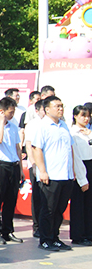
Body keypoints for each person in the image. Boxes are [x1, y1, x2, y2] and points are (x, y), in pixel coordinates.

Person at [30, 95, 85, 250]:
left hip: (65, 175)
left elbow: (70, 149)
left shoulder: (64, 125)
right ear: (47, 109)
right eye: (57, 106)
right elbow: (37, 149)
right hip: (51, 175)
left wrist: (72, 170)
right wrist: (42, 171)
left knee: (59, 210)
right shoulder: (42, 126)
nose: (60, 109)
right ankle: (45, 239)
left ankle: (55, 237)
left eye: (61, 106)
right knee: (48, 209)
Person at [0, 97, 23, 243]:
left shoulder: (14, 127)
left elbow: (17, 148)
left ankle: (7, 230)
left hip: (13, 165)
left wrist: (20, 168)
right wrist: (1, 122)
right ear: (2, 111)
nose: (12, 115)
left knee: (11, 200)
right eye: (10, 112)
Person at [69, 105, 92, 246]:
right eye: (83, 115)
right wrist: (82, 179)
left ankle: (89, 233)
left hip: (90, 166)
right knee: (79, 204)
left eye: (88, 116)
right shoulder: (73, 133)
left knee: (89, 204)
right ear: (75, 116)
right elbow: (76, 158)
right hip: (80, 169)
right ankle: (78, 235)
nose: (86, 118)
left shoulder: (88, 132)